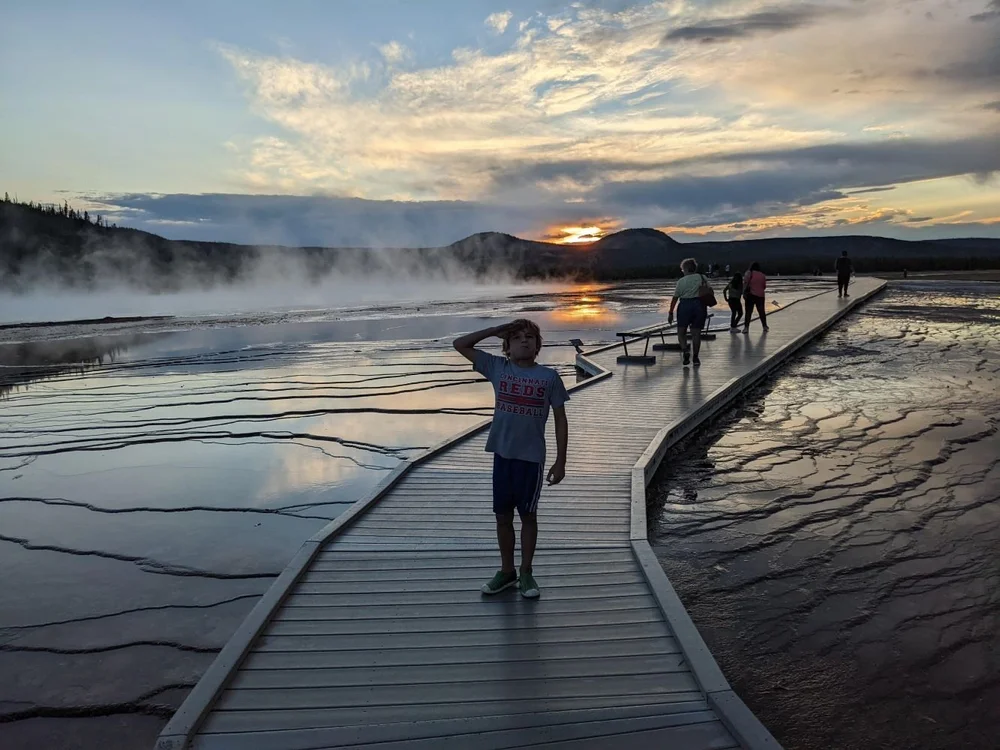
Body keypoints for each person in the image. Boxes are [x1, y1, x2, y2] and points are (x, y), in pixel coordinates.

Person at [453, 319, 569, 599]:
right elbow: (460, 344)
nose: (524, 341)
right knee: (502, 517)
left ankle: (526, 572)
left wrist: (561, 460)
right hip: (502, 457)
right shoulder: (498, 368)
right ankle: (507, 571)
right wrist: (494, 330)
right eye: (517, 338)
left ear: (538, 345)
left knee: (528, 516)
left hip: (531, 460)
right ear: (507, 346)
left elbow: (560, 420)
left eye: (530, 337)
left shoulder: (549, 377)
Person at [667, 257, 709, 367]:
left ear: (685, 269)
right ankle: (695, 357)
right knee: (696, 334)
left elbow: (675, 298)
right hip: (699, 305)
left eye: (682, 269)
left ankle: (685, 350)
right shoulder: (702, 277)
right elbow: (708, 290)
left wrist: (671, 312)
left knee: (681, 332)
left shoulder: (681, 281)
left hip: (685, 306)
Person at [743, 262, 769, 333]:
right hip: (760, 296)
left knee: (748, 312)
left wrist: (743, 293)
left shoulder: (749, 273)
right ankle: (765, 326)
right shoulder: (762, 275)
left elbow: (745, 283)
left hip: (750, 295)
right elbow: (764, 286)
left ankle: (746, 328)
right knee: (761, 312)